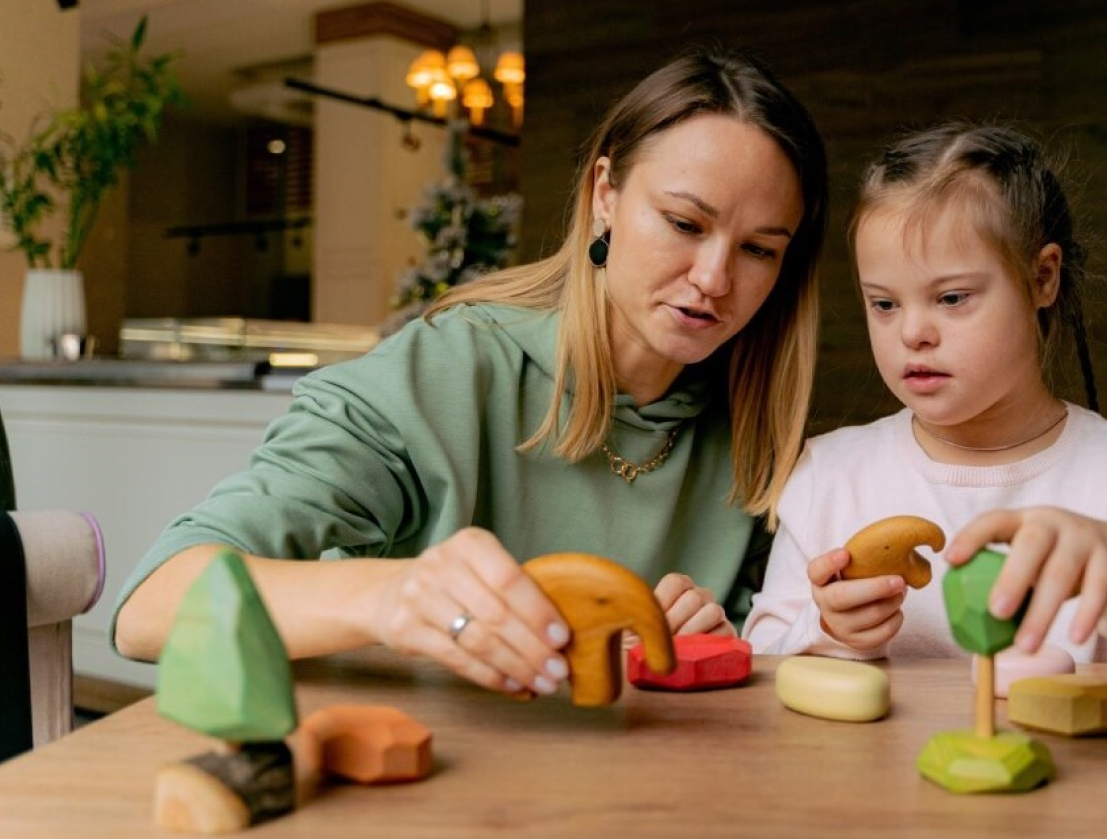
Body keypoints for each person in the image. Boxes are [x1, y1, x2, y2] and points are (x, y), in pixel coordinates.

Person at [113, 48, 828, 700]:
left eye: (759, 250)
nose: (713, 279)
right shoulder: (442, 372)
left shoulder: (758, 433)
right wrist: (393, 596)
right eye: (683, 223)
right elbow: (152, 607)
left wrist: (704, 640)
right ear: (605, 193)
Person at [742, 122, 1107, 707]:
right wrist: (829, 634)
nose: (913, 333)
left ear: (1042, 277)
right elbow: (762, 667)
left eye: (952, 298)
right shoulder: (829, 475)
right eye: (884, 304)